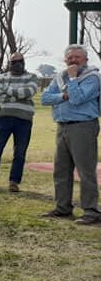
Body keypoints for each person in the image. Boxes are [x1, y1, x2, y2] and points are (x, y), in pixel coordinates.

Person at [40, 45, 101, 224]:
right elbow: (45, 98)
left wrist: (73, 79)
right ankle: (63, 208)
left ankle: (91, 211)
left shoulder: (92, 78)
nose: (73, 60)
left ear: (85, 59)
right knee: (61, 170)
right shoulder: (60, 77)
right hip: (62, 126)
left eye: (77, 57)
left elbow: (77, 99)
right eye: (70, 58)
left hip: (83, 127)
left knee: (85, 170)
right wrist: (63, 96)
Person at [0, 52, 40, 193]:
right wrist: (18, 95)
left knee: (20, 153)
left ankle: (14, 182)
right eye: (14, 62)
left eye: (20, 61)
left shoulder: (32, 77)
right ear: (9, 63)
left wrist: (8, 90)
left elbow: (29, 92)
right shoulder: (1, 77)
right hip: (4, 118)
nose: (17, 64)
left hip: (24, 120)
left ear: (24, 61)